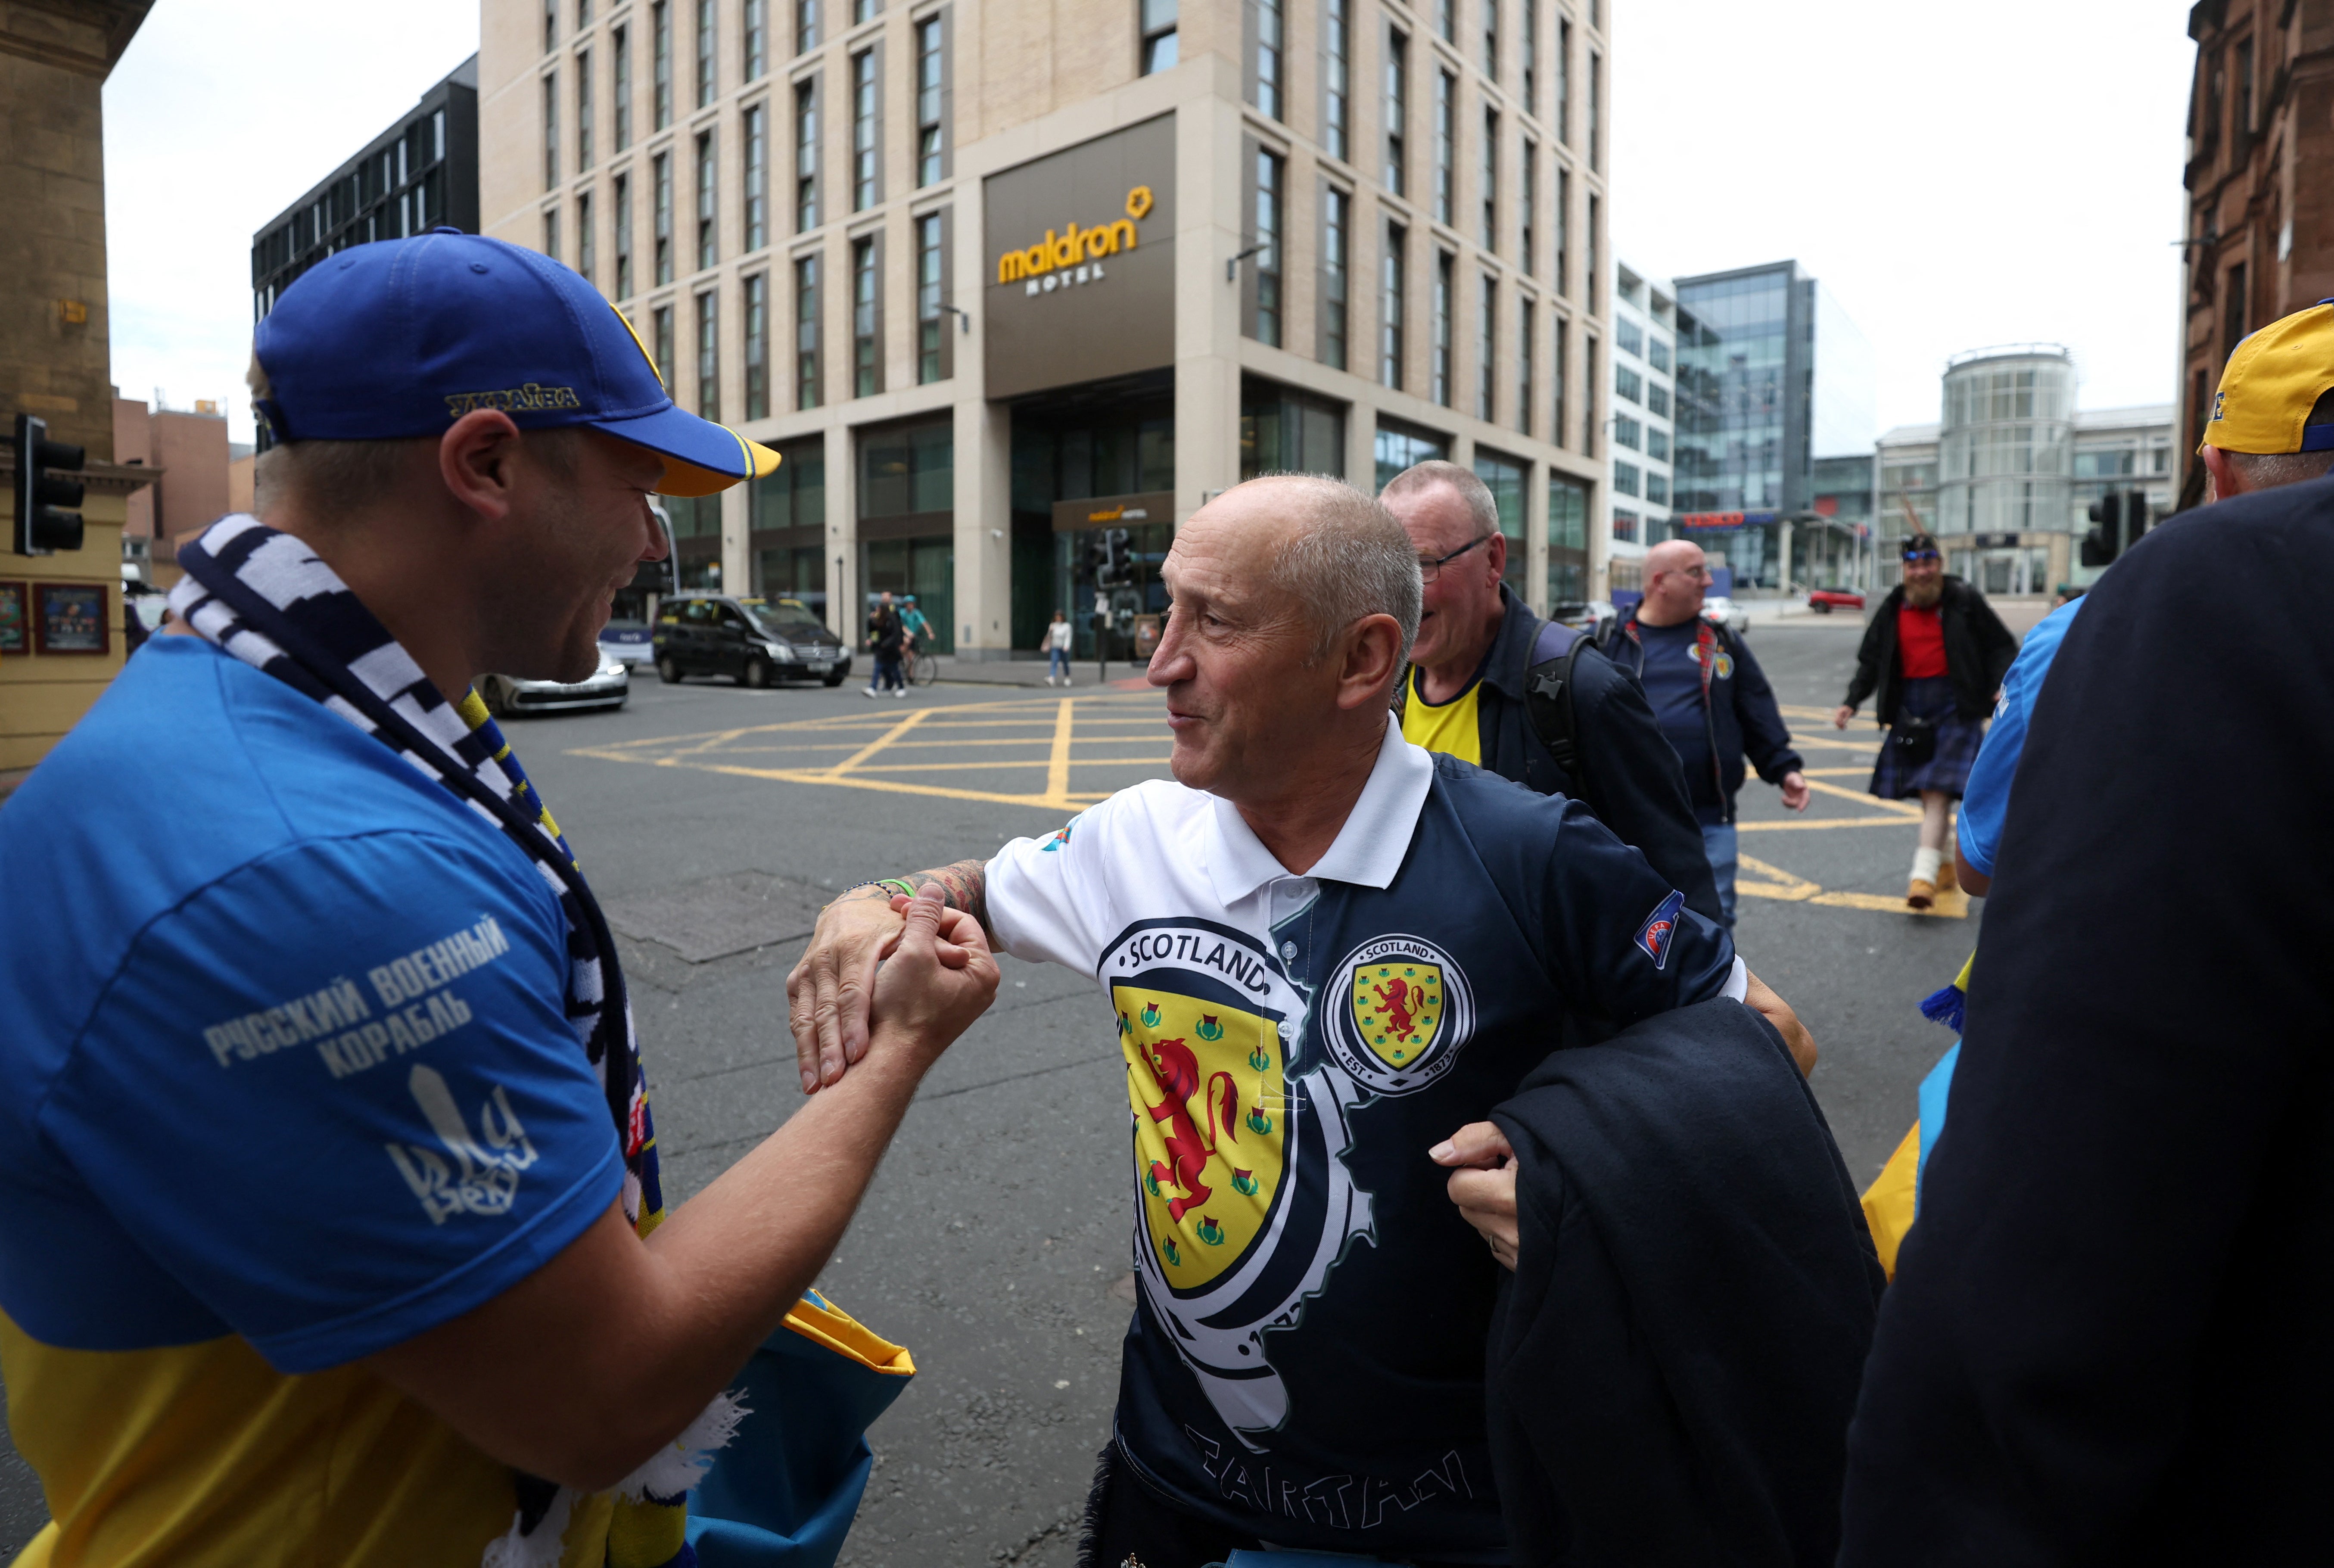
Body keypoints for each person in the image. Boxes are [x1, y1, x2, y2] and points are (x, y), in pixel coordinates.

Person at [0, 230, 999, 1568]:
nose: (657, 538)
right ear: (484, 465)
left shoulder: (306, 715)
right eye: (639, 482)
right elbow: (606, 1392)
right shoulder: (310, 866)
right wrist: (899, 1046)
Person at [788, 475, 1818, 1568]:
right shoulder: (1135, 840)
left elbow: (1770, 1037)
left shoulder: (1532, 853)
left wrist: (1585, 1161)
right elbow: (970, 888)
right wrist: (873, 904)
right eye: (1167, 609)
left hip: (1460, 1514)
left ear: (1364, 660)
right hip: (1178, 1478)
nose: (1162, 661)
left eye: (1215, 621)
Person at [1835, 482, 2334, 1567]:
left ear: (2222, 469)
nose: (1920, 575)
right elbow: (1885, 648)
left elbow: (2041, 1286)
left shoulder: (2192, 605)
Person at [1378, 460, 1724, 927]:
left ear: (1493, 561)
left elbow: (1679, 883)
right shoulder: (1385, 688)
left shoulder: (1587, 690)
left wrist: (1709, 994)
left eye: (1423, 564)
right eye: (1387, 569)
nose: (1402, 593)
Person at [1596, 538, 1810, 927]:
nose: (1708, 581)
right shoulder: (1609, 641)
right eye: (1696, 572)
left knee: (1714, 921)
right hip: (1628, 818)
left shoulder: (1721, 640)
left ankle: (1714, 992)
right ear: (1660, 581)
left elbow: (1756, 709)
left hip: (1710, 817)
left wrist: (1785, 769)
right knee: (1629, 925)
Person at [1833, 533, 2017, 909]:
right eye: (1913, 566)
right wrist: (1852, 702)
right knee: (1932, 796)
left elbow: (2001, 645)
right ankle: (1947, 865)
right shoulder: (1892, 607)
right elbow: (1871, 661)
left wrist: (2001, 684)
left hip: (1957, 705)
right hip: (1911, 708)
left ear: (1940, 565)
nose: (1921, 573)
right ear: (1904, 569)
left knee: (1935, 794)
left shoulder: (1963, 599)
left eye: (1928, 564)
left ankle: (1922, 877)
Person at [864, 589, 904, 697]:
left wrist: (893, 643)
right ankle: (873, 688)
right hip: (881, 649)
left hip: (891, 649)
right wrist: (870, 620)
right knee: (878, 668)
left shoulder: (893, 616)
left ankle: (901, 687)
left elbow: (897, 632)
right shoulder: (879, 619)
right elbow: (872, 629)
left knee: (894, 669)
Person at [1045, 607, 1075, 686]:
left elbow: (1068, 637)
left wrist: (1067, 646)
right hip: (1055, 646)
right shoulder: (1053, 625)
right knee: (1054, 662)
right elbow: (1049, 637)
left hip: (1063, 647)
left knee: (1065, 663)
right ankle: (1052, 678)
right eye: (1057, 616)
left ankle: (1067, 678)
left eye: (1060, 616)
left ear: (1063, 617)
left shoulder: (1067, 626)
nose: (1058, 618)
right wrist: (1051, 631)